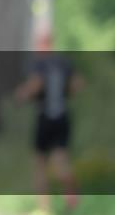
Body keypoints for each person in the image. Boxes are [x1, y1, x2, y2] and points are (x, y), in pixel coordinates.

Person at [15, 31, 82, 214]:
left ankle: (43, 207)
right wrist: (63, 93)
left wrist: (22, 96)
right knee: (61, 158)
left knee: (40, 163)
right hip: (63, 116)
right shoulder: (64, 63)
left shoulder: (39, 64)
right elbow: (77, 85)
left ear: (42, 44)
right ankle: (71, 195)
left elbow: (35, 84)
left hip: (45, 116)